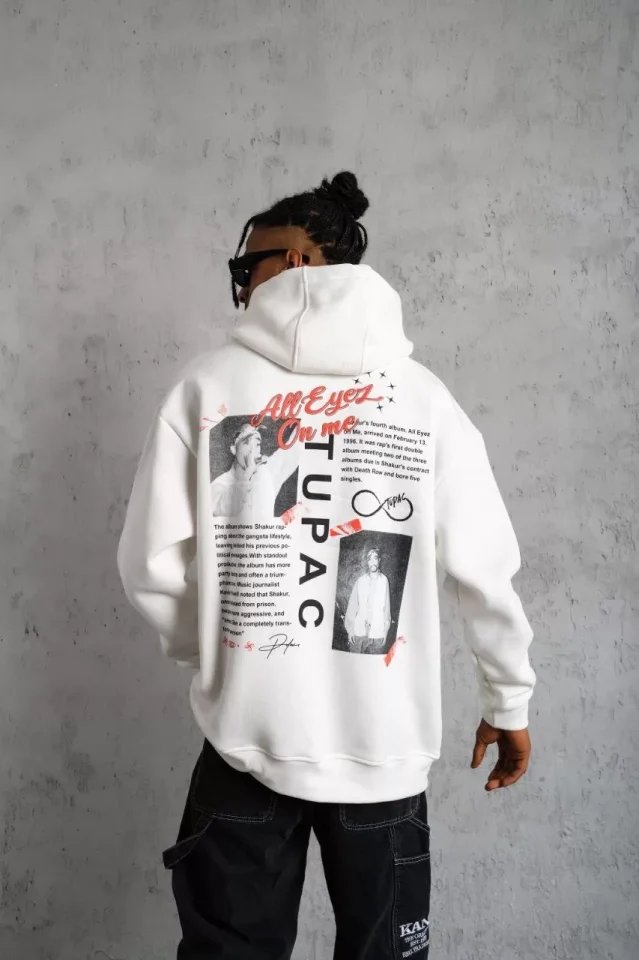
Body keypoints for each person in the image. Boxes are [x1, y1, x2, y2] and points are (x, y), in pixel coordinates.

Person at [117, 170, 537, 959]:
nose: (242, 284)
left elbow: (149, 564)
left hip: (244, 742)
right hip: (383, 748)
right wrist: (506, 699)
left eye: (251, 264)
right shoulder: (424, 400)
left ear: (298, 260)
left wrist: (218, 654)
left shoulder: (206, 386)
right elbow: (484, 569)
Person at [210, 421, 299, 517]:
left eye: (257, 444)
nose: (252, 451)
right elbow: (228, 509)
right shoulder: (219, 485)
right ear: (234, 449)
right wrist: (246, 476)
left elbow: (295, 449)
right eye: (246, 443)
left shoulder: (266, 473)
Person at [344, 546, 392, 654]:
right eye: (370, 559)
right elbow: (352, 606)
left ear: (379, 560)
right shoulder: (360, 581)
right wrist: (350, 630)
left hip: (377, 632)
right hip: (359, 631)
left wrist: (385, 632)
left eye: (375, 558)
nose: (372, 562)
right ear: (367, 562)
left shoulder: (384, 581)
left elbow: (386, 609)